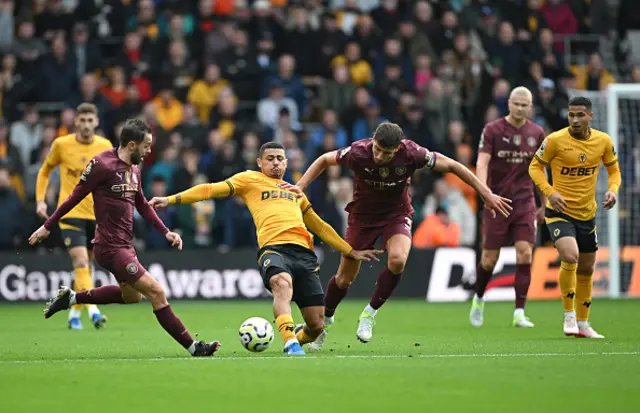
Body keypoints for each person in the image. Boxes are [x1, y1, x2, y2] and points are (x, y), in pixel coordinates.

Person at [280, 121, 512, 350]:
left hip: (396, 214)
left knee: (398, 259)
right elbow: (324, 160)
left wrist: (485, 193)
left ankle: (369, 314)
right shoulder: (359, 152)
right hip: (362, 217)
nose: (380, 156)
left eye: (386, 153)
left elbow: (452, 165)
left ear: (398, 148)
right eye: (377, 149)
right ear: (373, 141)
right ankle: (325, 323)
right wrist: (300, 186)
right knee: (344, 278)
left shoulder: (412, 153)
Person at [149, 142, 382, 355]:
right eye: (270, 158)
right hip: (274, 249)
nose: (276, 162)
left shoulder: (295, 191)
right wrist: (170, 200)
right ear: (260, 162)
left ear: (287, 162)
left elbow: (319, 226)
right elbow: (209, 190)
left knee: (317, 325)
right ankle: (290, 341)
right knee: (281, 283)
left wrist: (349, 250)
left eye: (280, 158)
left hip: (304, 254)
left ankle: (298, 338)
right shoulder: (249, 180)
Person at [29, 119, 220, 357]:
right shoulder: (102, 164)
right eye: (147, 146)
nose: (149, 151)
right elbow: (74, 197)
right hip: (109, 247)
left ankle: (72, 297)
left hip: (125, 246)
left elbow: (141, 203)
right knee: (157, 293)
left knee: (132, 297)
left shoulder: (135, 169)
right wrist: (47, 226)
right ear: (132, 145)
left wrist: (166, 231)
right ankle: (194, 347)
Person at [529, 97, 621, 339]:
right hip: (559, 211)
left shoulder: (603, 141)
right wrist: (551, 192)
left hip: (587, 213)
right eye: (571, 115)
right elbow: (534, 167)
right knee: (571, 256)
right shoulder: (555, 140)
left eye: (580, 115)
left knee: (587, 269)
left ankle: (583, 323)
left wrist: (613, 189)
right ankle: (568, 317)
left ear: (590, 116)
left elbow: (614, 170)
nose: (575, 120)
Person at [469, 87, 546, 329]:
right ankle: (479, 298)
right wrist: (485, 192)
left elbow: (541, 170)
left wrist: (545, 202)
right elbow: (482, 162)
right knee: (489, 260)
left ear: (530, 106)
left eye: (525, 105)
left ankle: (519, 312)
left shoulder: (537, 133)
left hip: (525, 202)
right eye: (517, 104)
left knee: (525, 252)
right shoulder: (492, 129)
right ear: (509, 103)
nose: (521, 108)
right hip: (497, 202)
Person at [36, 103, 113, 330]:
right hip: (70, 213)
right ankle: (94, 311)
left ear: (96, 122)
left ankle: (73, 315)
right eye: (83, 120)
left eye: (91, 120)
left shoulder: (105, 146)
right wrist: (40, 199)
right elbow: (45, 170)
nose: (87, 125)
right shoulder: (61, 144)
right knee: (80, 261)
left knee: (86, 266)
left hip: (96, 214)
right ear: (76, 121)